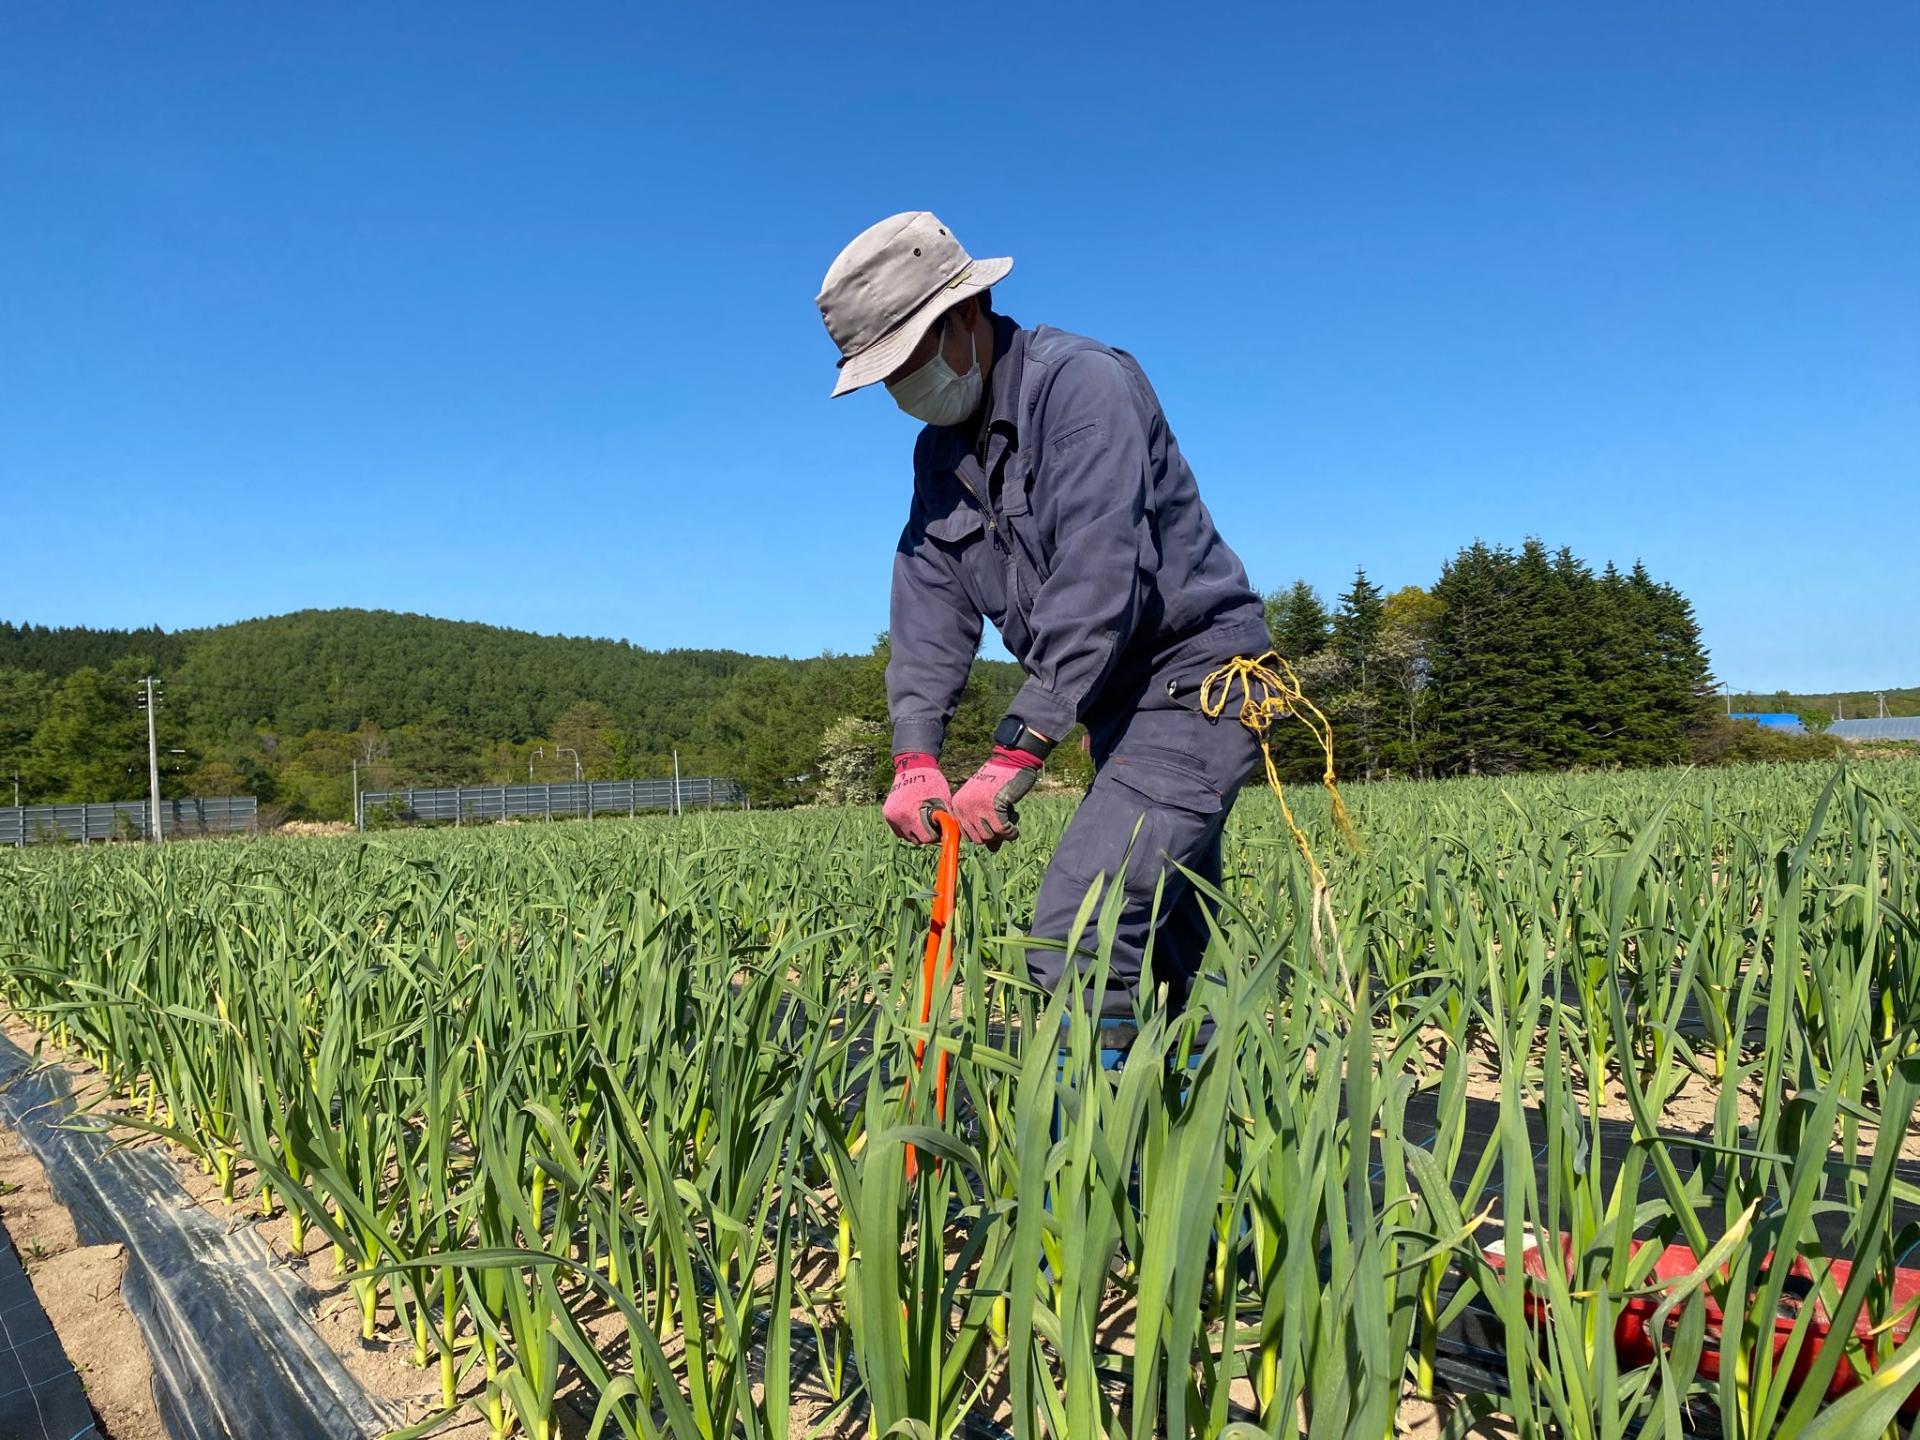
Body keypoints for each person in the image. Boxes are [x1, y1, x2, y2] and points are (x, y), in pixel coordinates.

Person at [816, 211, 1271, 1047]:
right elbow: (929, 594)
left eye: (908, 359)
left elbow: (1100, 575)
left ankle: (1091, 1133)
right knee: (1172, 950)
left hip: (1197, 683)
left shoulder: (1081, 386)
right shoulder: (939, 454)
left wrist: (1018, 747)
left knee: (1079, 931)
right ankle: (1208, 1112)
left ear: (965, 313)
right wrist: (915, 754)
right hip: (1116, 707)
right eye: (886, 375)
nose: (904, 387)